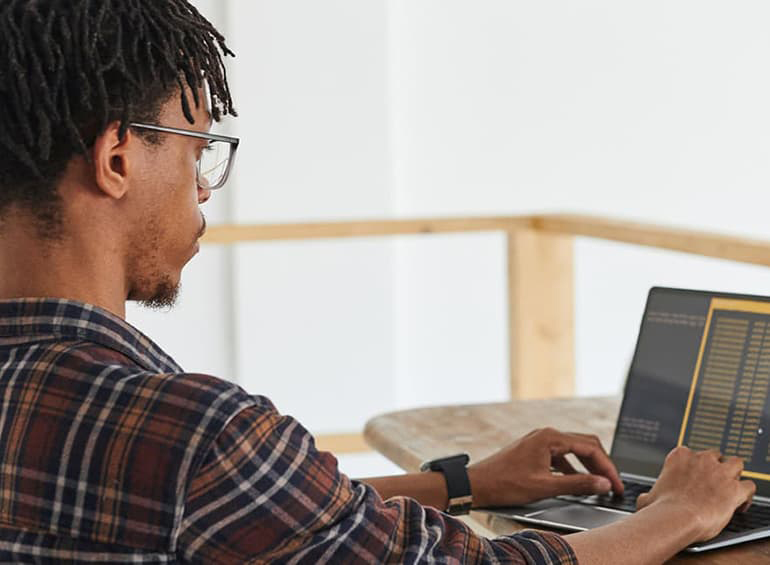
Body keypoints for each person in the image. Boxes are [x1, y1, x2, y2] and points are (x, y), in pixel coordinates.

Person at [0, 1, 755, 563]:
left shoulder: (136, 436)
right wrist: (682, 511)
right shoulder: (194, 432)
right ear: (119, 159)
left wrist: (466, 483)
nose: (203, 186)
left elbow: (244, 510)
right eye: (198, 147)